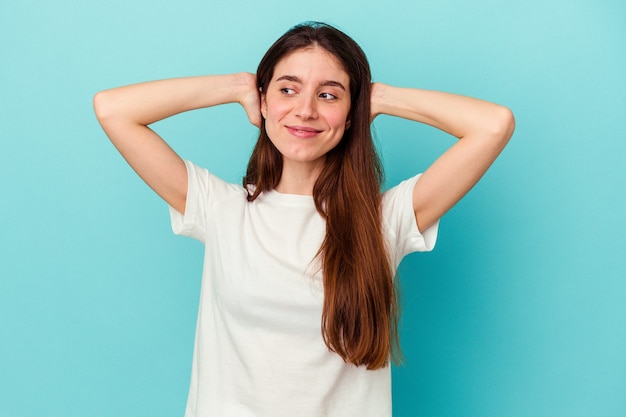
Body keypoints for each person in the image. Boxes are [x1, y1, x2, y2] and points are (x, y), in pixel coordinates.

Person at [94, 21, 514, 417]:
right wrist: (236, 87)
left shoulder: (384, 220)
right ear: (263, 99)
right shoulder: (219, 208)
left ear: (352, 113)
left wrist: (380, 98)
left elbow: (494, 125)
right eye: (288, 90)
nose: (306, 110)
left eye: (329, 95)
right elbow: (112, 109)